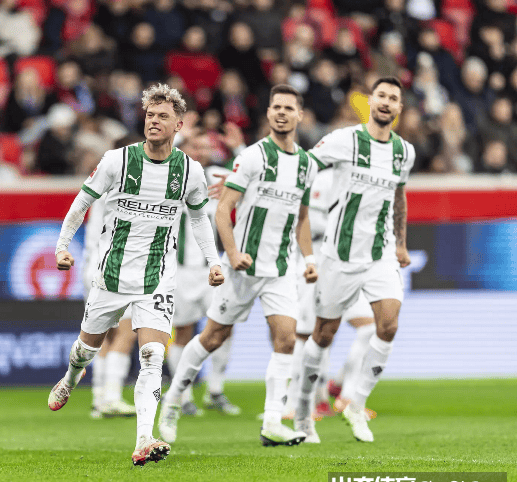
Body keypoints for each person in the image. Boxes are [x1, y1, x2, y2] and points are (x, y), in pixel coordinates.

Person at [49, 83, 224, 466]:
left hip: (157, 278)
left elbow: (198, 219)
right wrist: (62, 246)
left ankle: (145, 437)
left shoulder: (189, 171)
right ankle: (71, 377)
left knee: (152, 355)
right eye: (149, 115)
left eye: (162, 116)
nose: (154, 121)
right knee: (86, 349)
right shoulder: (117, 161)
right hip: (111, 275)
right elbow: (81, 203)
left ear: (178, 125)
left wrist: (214, 260)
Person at [159, 84, 318, 447]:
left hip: (280, 268)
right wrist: (232, 254)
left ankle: (273, 421)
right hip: (243, 267)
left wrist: (309, 258)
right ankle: (173, 399)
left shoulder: (307, 164)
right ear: (269, 114)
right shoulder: (252, 157)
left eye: (288, 108)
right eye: (276, 107)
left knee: (286, 338)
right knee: (212, 337)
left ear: (299, 115)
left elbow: (303, 216)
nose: (282, 113)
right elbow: (222, 209)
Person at [293, 76, 415, 443]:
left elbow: (398, 196)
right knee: (323, 334)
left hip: (380, 254)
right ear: (371, 102)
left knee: (388, 326)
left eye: (393, 98)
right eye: (381, 95)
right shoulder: (343, 140)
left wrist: (401, 244)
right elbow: (304, 166)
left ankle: (356, 405)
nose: (386, 102)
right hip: (338, 255)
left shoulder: (404, 152)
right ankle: (303, 411)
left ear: (399, 108)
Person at [281, 166, 377, 427]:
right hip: (317, 262)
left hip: (348, 265)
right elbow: (308, 222)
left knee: (370, 327)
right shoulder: (321, 180)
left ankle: (345, 395)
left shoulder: (363, 182)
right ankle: (294, 402)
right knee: (307, 333)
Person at [168, 128, 241, 417]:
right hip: (180, 269)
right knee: (183, 330)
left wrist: (238, 150)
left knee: (225, 326)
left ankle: (215, 390)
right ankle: (183, 395)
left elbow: (251, 178)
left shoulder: (218, 176)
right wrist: (176, 137)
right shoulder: (172, 175)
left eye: (206, 147)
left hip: (213, 268)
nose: (201, 152)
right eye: (195, 146)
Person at [82, 185, 137, 420]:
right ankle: (112, 397)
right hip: (115, 264)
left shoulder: (102, 186)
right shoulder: (128, 186)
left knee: (102, 334)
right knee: (126, 332)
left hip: (92, 264)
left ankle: (99, 398)